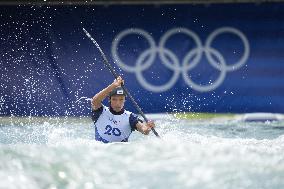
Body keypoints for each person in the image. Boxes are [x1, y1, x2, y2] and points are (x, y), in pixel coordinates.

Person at [91, 76, 155, 143]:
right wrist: (113, 85)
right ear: (109, 100)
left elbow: (144, 130)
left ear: (124, 100)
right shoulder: (100, 111)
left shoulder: (130, 117)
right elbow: (94, 101)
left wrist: (148, 127)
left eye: (121, 99)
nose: (118, 103)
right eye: (114, 99)